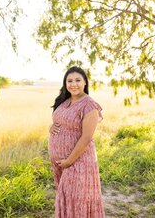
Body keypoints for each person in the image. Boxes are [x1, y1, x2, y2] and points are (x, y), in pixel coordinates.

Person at [48, 66, 105, 218]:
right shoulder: (65, 101)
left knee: (78, 200)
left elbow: (86, 138)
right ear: (65, 83)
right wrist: (51, 126)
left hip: (78, 161)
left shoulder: (89, 105)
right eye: (70, 81)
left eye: (78, 80)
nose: (74, 84)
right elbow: (60, 120)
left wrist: (69, 161)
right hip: (60, 162)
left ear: (85, 82)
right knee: (66, 198)